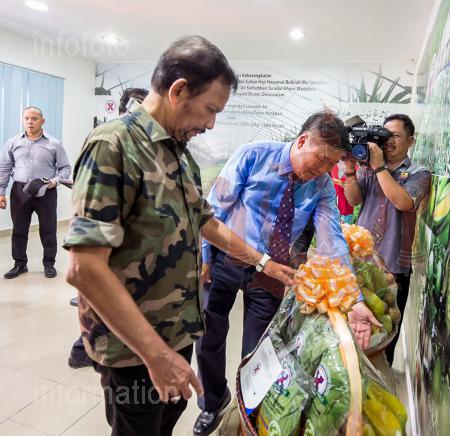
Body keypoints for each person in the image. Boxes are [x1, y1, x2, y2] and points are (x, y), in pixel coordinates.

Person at [63, 36, 294, 436]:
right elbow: (84, 269)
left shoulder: (178, 152)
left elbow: (207, 221)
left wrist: (264, 263)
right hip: (133, 346)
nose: (211, 124)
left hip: (175, 331)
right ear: (179, 90)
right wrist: (156, 355)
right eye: (210, 110)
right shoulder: (114, 145)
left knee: (164, 424)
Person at [193, 110, 381, 435]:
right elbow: (215, 207)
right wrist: (205, 255)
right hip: (227, 259)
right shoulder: (253, 155)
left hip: (273, 271)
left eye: (331, 165)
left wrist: (355, 299)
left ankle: (249, 412)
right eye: (322, 159)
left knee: (259, 349)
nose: (324, 170)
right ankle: (212, 401)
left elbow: (332, 239)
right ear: (303, 140)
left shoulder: (321, 185)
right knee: (208, 335)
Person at [67, 87, 150, 370]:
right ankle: (82, 349)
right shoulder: (110, 140)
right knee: (98, 295)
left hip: (124, 243)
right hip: (106, 240)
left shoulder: (142, 144)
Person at [343, 114, 430, 365]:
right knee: (354, 330)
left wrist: (380, 167)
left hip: (394, 268)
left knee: (385, 334)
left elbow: (403, 202)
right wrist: (350, 169)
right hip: (362, 263)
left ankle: (382, 376)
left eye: (396, 136)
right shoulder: (368, 168)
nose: (389, 140)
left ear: (410, 141)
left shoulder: (419, 174)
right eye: (385, 134)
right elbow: (353, 200)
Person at [0, 107, 71, 279]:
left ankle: (49, 264)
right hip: (20, 191)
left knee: (48, 229)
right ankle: (20, 264)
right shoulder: (13, 142)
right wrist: (1, 192)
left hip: (46, 190)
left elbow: (65, 168)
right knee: (19, 229)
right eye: (26, 118)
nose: (29, 122)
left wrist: (55, 180)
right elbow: (4, 168)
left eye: (34, 118)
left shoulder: (54, 143)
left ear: (42, 121)